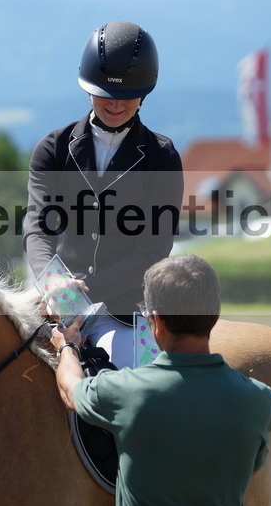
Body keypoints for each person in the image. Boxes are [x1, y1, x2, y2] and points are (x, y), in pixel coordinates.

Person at [51, 255, 271, 506]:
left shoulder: (127, 392)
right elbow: (254, 464)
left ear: (155, 322)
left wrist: (66, 348)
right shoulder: (259, 398)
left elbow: (71, 391)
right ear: (214, 316)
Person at [23, 20, 183, 369]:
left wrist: (88, 289)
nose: (115, 105)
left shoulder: (161, 157)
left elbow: (153, 250)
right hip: (55, 301)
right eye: (105, 94)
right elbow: (38, 228)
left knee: (132, 385)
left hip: (126, 311)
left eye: (127, 96)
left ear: (145, 93)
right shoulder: (53, 149)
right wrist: (57, 287)